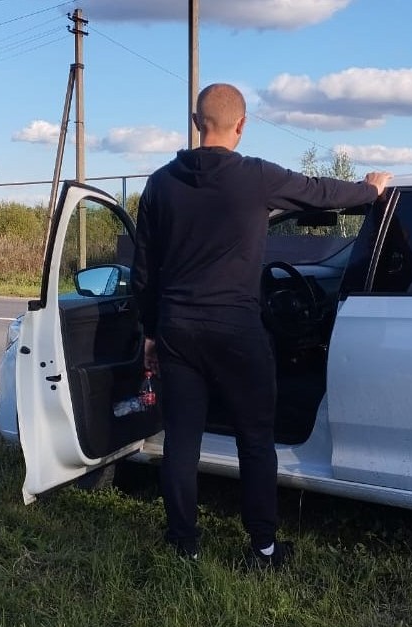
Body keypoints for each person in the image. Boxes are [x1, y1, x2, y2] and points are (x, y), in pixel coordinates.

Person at [131, 83, 392, 567]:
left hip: (177, 328)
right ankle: (263, 548)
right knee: (254, 440)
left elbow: (144, 269)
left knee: (181, 441)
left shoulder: (160, 184)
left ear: (196, 122)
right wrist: (369, 190)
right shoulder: (255, 177)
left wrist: (150, 331)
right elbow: (320, 193)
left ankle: (184, 545)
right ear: (242, 125)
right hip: (236, 331)